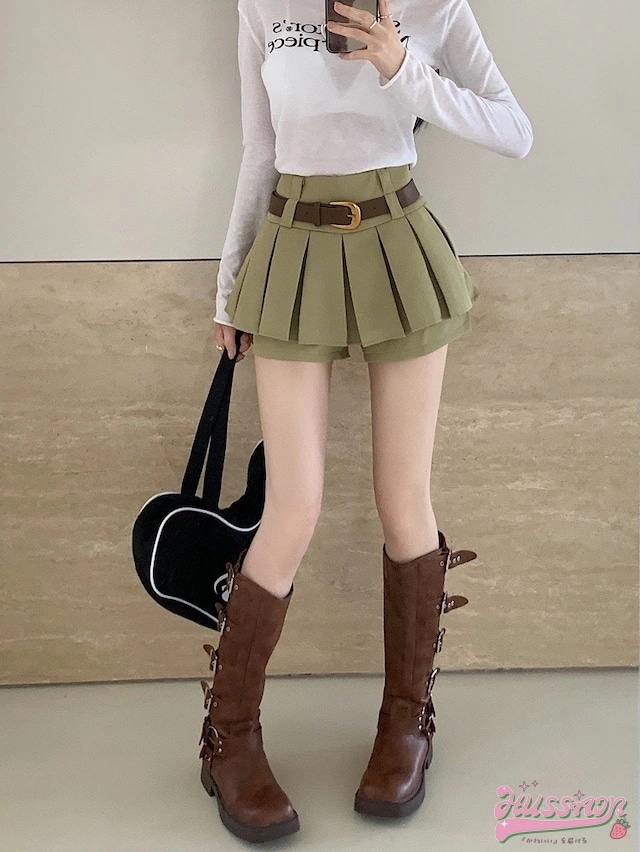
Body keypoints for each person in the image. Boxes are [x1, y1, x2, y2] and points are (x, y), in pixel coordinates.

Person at [199, 0, 533, 842]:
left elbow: (514, 130)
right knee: (294, 507)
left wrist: (402, 68)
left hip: (398, 240)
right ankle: (227, 736)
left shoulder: (434, 6)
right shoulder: (261, 6)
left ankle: (406, 724)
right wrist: (229, 286)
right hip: (289, 245)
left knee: (403, 500)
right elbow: (260, 149)